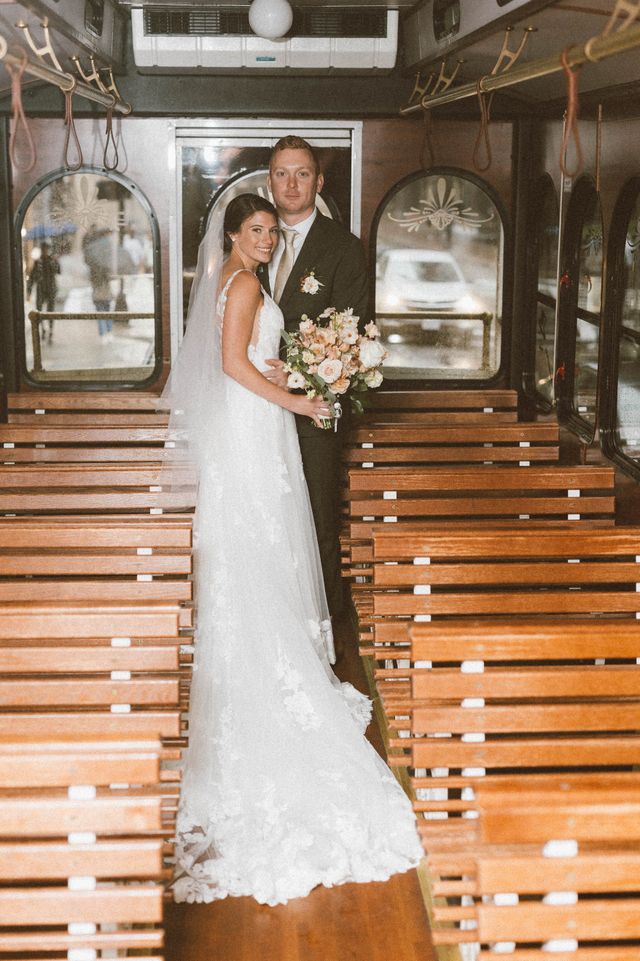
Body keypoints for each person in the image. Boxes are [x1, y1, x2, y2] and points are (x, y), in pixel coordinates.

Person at [161, 193, 421, 907]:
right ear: (235, 235)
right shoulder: (244, 282)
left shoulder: (238, 279)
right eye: (257, 231)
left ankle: (259, 657)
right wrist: (301, 401)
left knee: (261, 553)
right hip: (255, 432)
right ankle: (269, 673)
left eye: (273, 231)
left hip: (255, 424)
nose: (269, 239)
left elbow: (246, 358)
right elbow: (232, 366)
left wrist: (281, 371)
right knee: (263, 545)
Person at [259, 136, 370, 622]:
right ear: (269, 180)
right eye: (282, 173)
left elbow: (351, 334)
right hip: (254, 411)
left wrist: (298, 375)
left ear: (319, 182)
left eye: (302, 173)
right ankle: (271, 623)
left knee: (317, 522)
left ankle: (326, 635)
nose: (291, 184)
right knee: (265, 519)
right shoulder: (251, 240)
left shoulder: (344, 248)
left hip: (313, 413)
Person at [26, 241, 60, 342]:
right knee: (39, 311)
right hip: (41, 289)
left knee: (51, 311)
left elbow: (58, 271)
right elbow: (32, 277)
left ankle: (50, 330)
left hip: (50, 289)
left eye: (47, 249)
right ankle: (42, 330)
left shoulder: (52, 260)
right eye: (44, 249)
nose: (45, 251)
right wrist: (29, 290)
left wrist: (55, 261)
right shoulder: (38, 262)